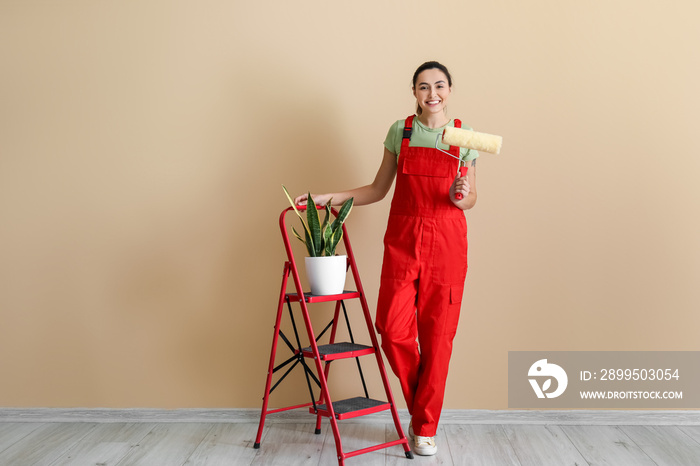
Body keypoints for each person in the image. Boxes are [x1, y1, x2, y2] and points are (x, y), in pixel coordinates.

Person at [293, 61, 478, 456]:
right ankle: (421, 412)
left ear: (450, 90)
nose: (433, 93)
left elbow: (470, 200)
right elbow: (378, 189)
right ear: (414, 92)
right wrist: (329, 198)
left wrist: (462, 191)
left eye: (440, 86)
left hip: (447, 245)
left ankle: (424, 429)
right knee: (392, 331)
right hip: (403, 241)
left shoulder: (464, 137)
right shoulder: (401, 132)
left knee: (438, 340)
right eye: (424, 86)